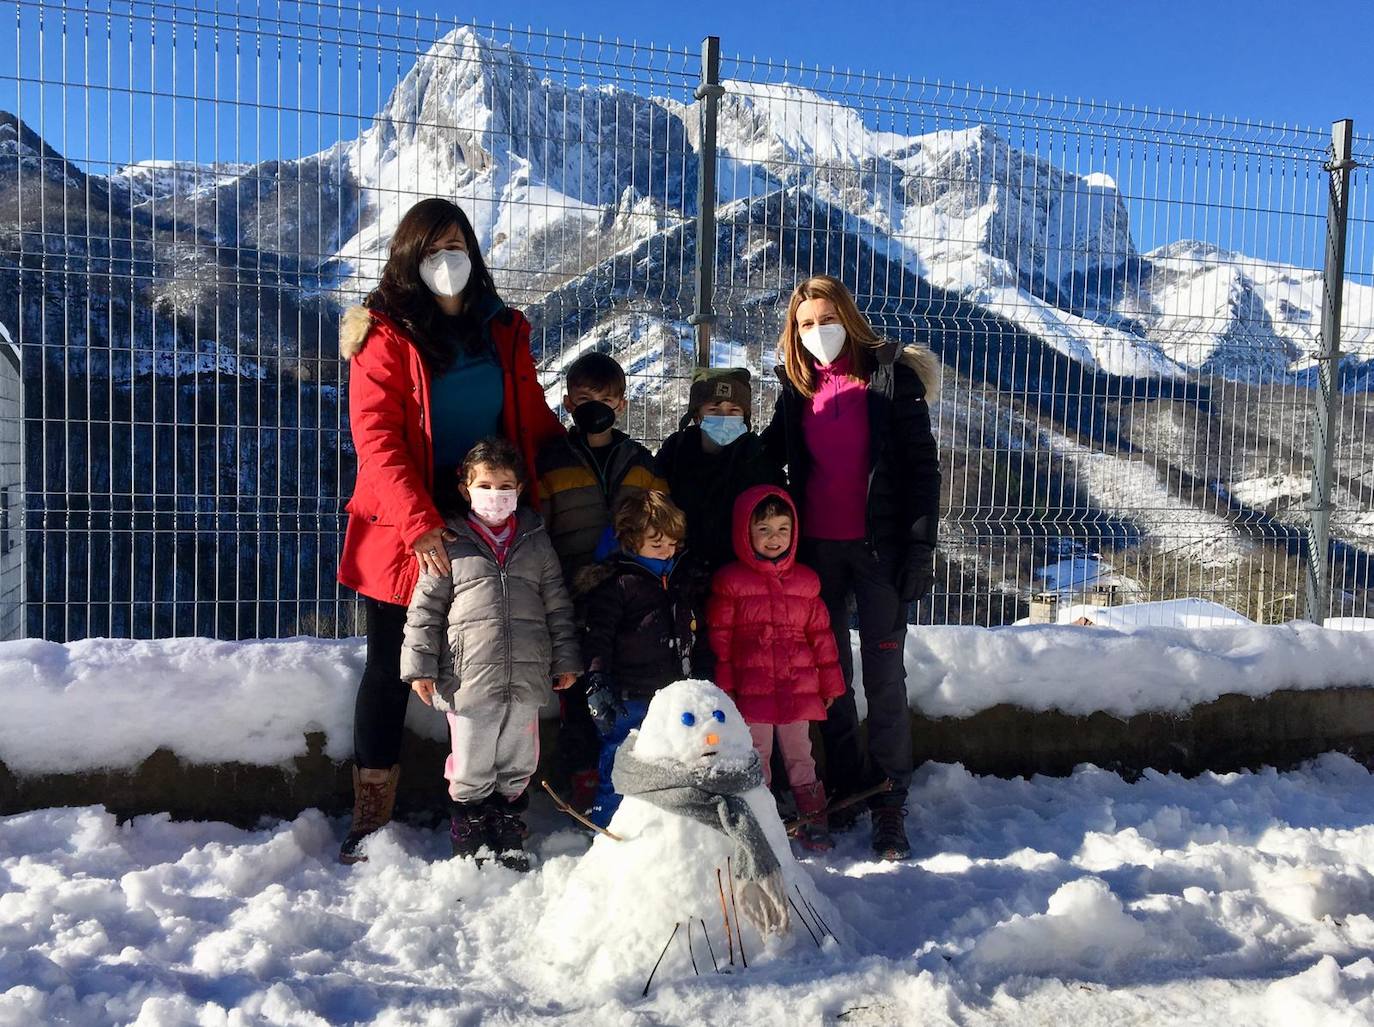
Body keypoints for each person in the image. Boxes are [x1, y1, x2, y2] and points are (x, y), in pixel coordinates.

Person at [336, 198, 564, 865]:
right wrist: (418, 524)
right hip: (407, 527)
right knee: (389, 667)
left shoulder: (502, 329)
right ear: (408, 256)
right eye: (432, 247)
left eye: (457, 244)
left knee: (494, 662)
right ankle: (371, 809)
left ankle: (493, 801)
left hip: (492, 515)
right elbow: (376, 440)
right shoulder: (383, 334)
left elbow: (533, 421)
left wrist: (585, 471)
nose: (447, 259)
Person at [760, 274, 942, 861]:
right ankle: (847, 785)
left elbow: (922, 470)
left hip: (879, 551)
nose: (818, 331)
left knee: (885, 678)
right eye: (806, 324)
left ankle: (890, 799)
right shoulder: (796, 388)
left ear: (849, 316)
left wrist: (919, 550)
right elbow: (767, 457)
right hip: (818, 554)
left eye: (827, 318)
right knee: (831, 679)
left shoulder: (890, 378)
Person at [401, 437, 581, 871]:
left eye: (505, 486)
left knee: (519, 756)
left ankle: (508, 825)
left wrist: (566, 657)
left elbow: (556, 601)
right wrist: (419, 667)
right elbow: (425, 608)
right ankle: (470, 825)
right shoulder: (448, 542)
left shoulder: (536, 540)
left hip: (527, 672)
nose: (495, 496)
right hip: (467, 677)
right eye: (485, 485)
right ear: (466, 489)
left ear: (519, 488)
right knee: (472, 757)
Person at [536, 351, 669, 810]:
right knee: (575, 693)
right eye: (588, 398)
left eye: (609, 399)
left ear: (623, 404)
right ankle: (583, 778)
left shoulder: (640, 462)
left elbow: (662, 521)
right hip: (572, 597)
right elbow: (539, 528)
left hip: (631, 595)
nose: (599, 406)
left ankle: (630, 779)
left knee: (625, 689)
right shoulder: (552, 462)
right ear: (569, 403)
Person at [706, 485, 845, 851]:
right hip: (751, 694)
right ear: (745, 532)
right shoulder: (731, 583)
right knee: (756, 757)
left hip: (797, 689)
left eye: (783, 529)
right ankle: (762, 822)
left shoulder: (806, 582)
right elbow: (721, 644)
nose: (774, 538)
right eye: (764, 530)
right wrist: (726, 690)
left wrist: (830, 685)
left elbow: (822, 639)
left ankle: (814, 819)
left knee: (802, 756)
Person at [576, 491, 707, 828]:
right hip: (628, 695)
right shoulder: (618, 584)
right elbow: (598, 637)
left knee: (672, 761)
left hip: (672, 691)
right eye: (656, 543)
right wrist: (597, 680)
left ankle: (661, 825)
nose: (667, 550)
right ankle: (608, 825)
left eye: (673, 542)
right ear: (632, 541)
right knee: (621, 759)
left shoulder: (680, 576)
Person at [654, 367, 783, 575]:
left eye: (734, 411)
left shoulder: (757, 461)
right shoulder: (676, 455)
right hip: (679, 568)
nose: (724, 417)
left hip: (740, 572)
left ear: (745, 417)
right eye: (714, 410)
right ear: (697, 416)